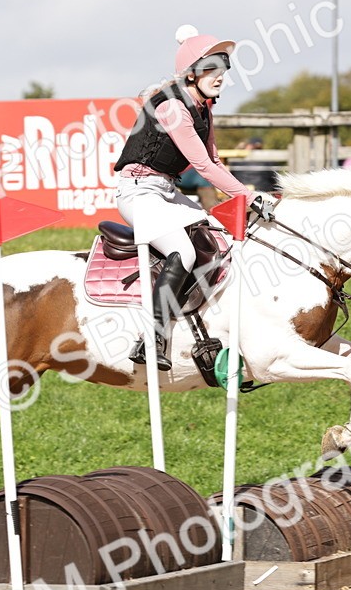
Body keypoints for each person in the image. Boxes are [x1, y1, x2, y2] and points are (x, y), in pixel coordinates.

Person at [113, 25, 270, 370]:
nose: (220, 77)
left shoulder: (204, 108)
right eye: (212, 69)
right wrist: (247, 196)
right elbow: (200, 164)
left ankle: (206, 324)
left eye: (223, 70)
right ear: (193, 73)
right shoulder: (172, 106)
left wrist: (244, 200)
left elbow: (214, 161)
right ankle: (151, 338)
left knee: (219, 236)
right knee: (182, 251)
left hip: (167, 191)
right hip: (138, 192)